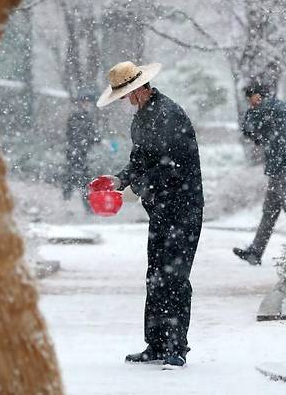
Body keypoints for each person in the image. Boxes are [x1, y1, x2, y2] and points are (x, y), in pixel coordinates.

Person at [95, 61, 204, 368]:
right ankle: (155, 344)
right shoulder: (142, 118)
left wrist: (135, 188)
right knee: (156, 275)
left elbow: (174, 166)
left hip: (183, 207)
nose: (126, 99)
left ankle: (176, 346)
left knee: (175, 277)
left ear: (142, 87)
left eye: (128, 93)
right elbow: (140, 160)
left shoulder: (169, 114)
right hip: (160, 209)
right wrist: (118, 181)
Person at [233, 81, 286, 266]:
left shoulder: (267, 109)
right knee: (270, 211)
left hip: (283, 164)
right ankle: (255, 252)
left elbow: (248, 129)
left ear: (258, 96)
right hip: (280, 164)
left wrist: (252, 117)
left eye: (251, 99)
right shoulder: (276, 107)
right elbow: (254, 133)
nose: (250, 104)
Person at [63, 93, 98, 211]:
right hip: (76, 154)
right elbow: (77, 135)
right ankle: (71, 204)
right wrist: (90, 140)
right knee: (78, 179)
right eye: (85, 102)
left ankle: (77, 205)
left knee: (77, 179)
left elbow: (91, 135)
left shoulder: (86, 117)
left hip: (80, 154)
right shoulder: (77, 117)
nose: (87, 105)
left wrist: (96, 139)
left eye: (88, 103)